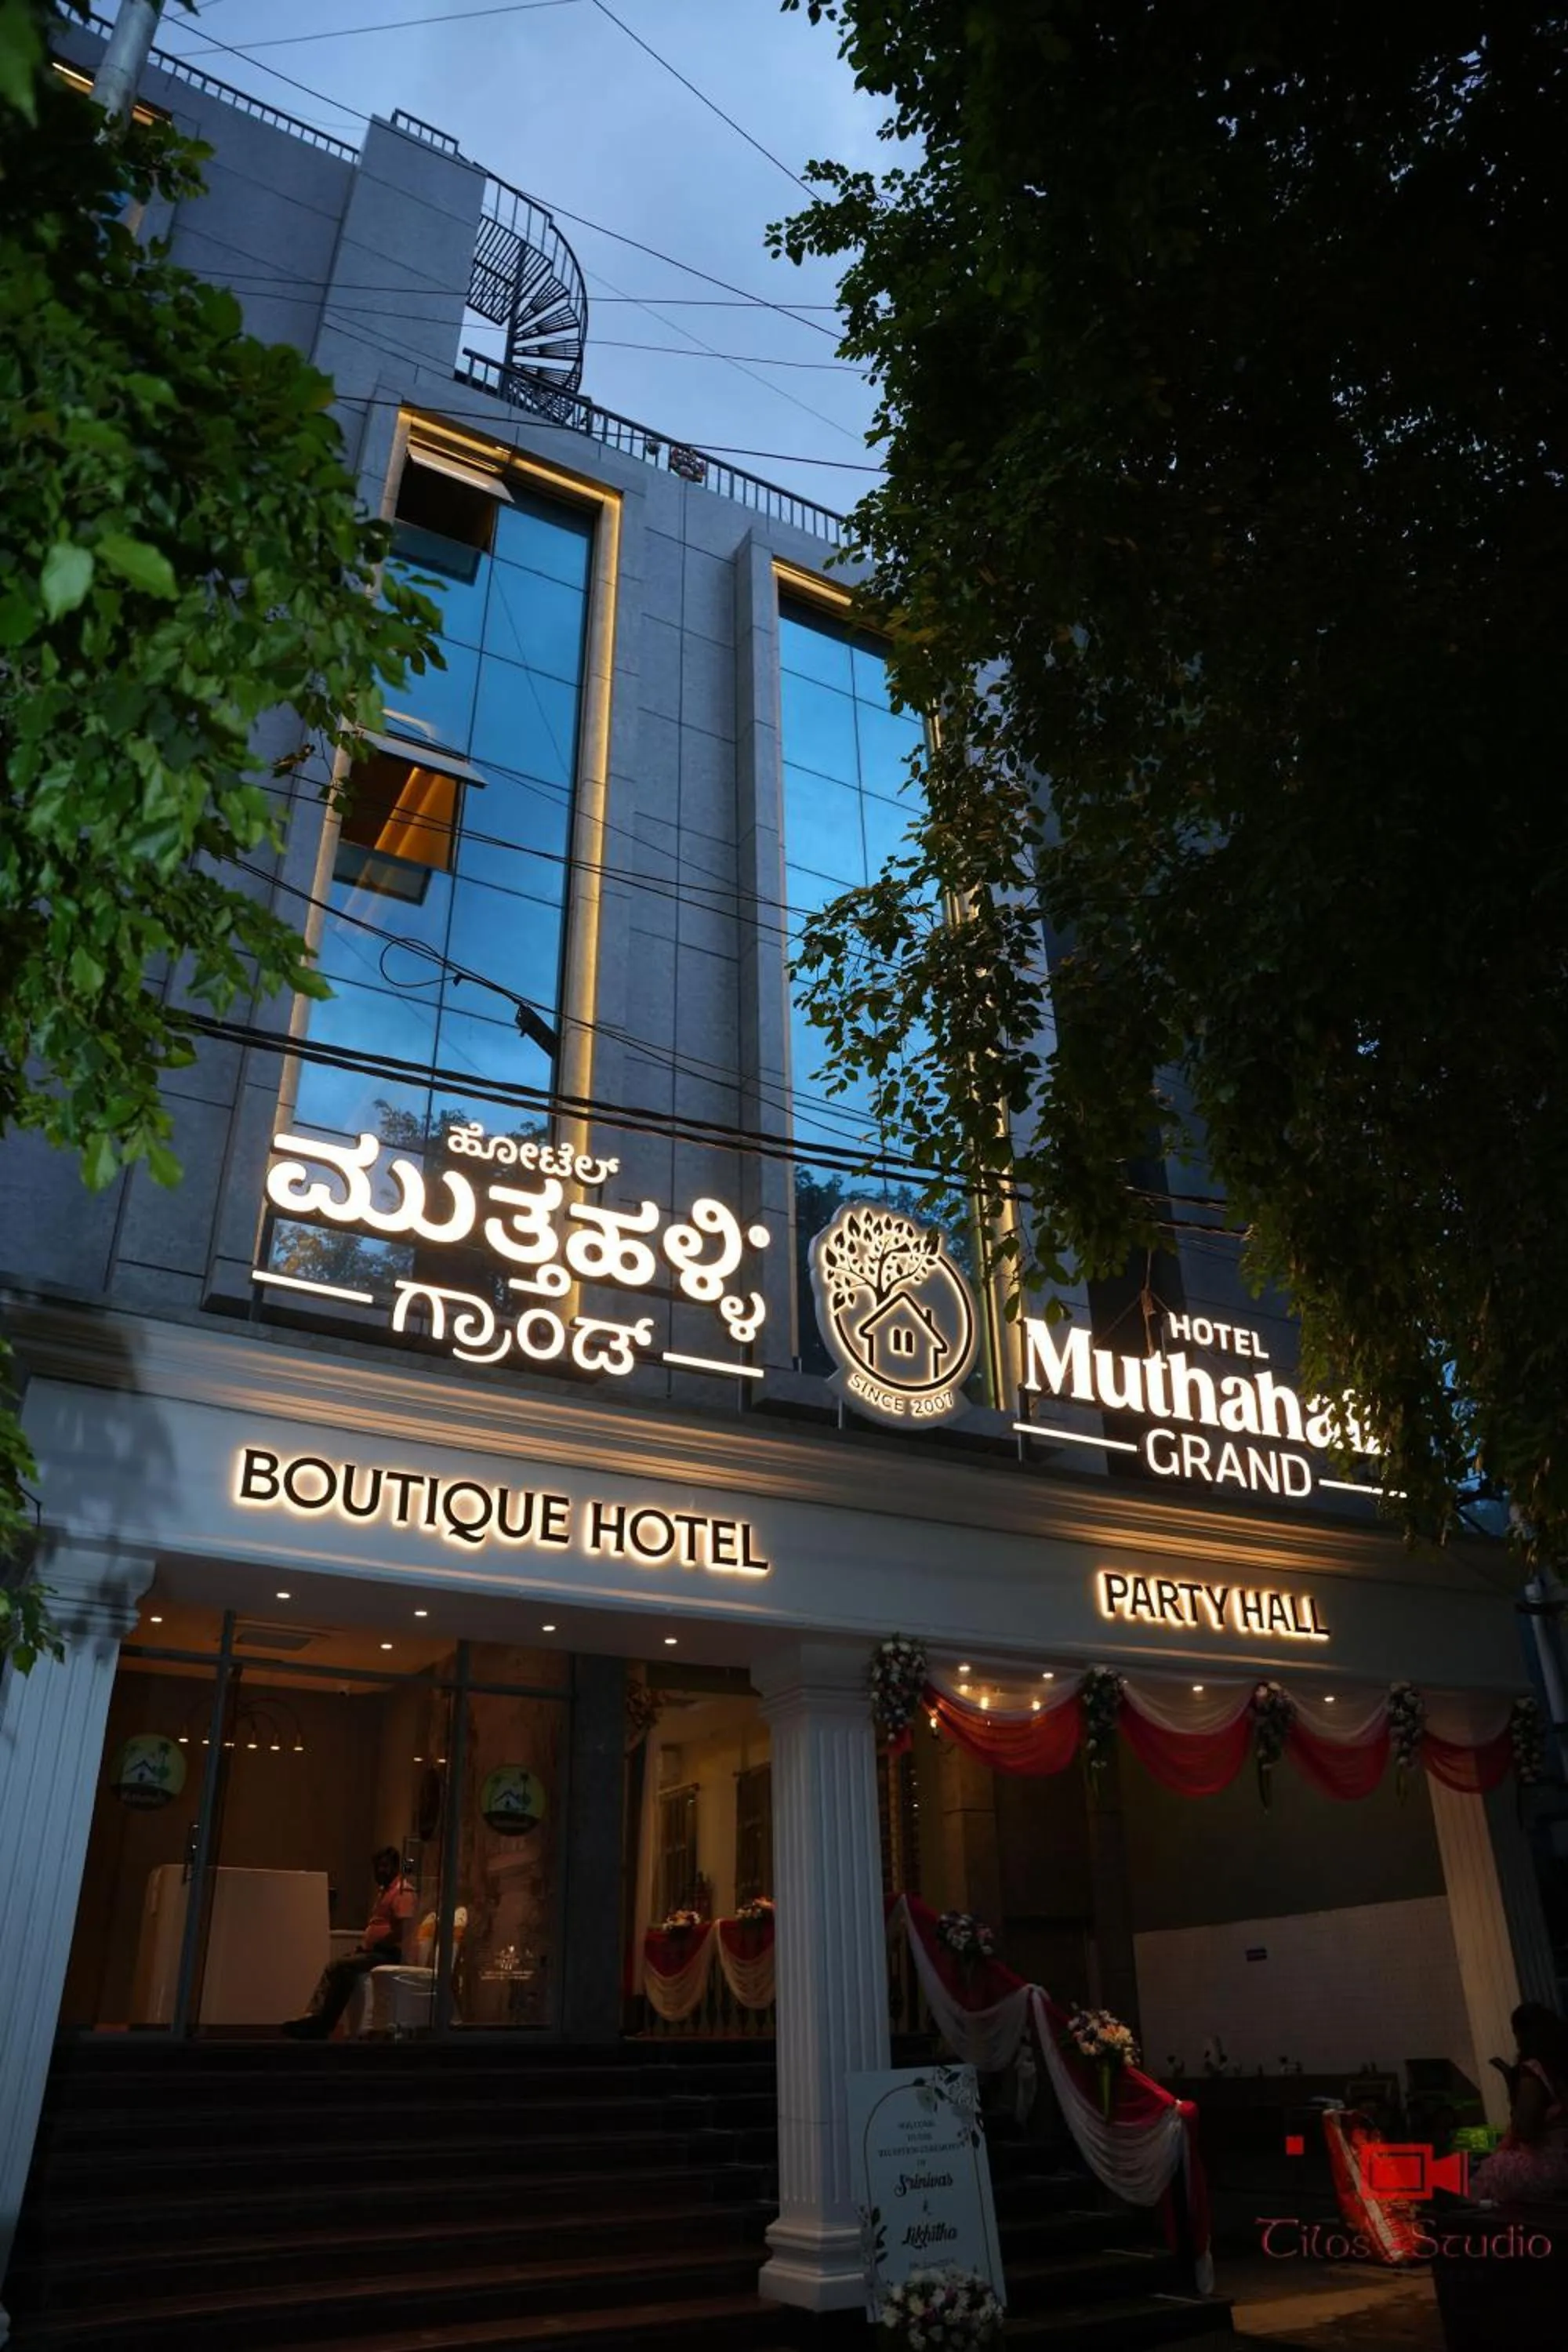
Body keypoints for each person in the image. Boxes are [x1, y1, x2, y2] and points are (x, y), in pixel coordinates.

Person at [283, 1847, 417, 2039]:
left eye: (385, 1866)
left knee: (340, 1966)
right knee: (338, 1969)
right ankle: (317, 2021)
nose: (380, 1871)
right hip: (376, 1951)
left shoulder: (402, 1892)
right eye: (377, 1867)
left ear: (396, 1867)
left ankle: (320, 2023)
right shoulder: (385, 1891)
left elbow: (406, 1928)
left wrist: (380, 1944)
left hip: (390, 1953)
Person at [1470, 2002, 1568, 2204]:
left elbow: (1525, 2128)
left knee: (1494, 2169)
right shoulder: (1559, 2069)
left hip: (1549, 2169)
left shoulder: (1533, 2072)